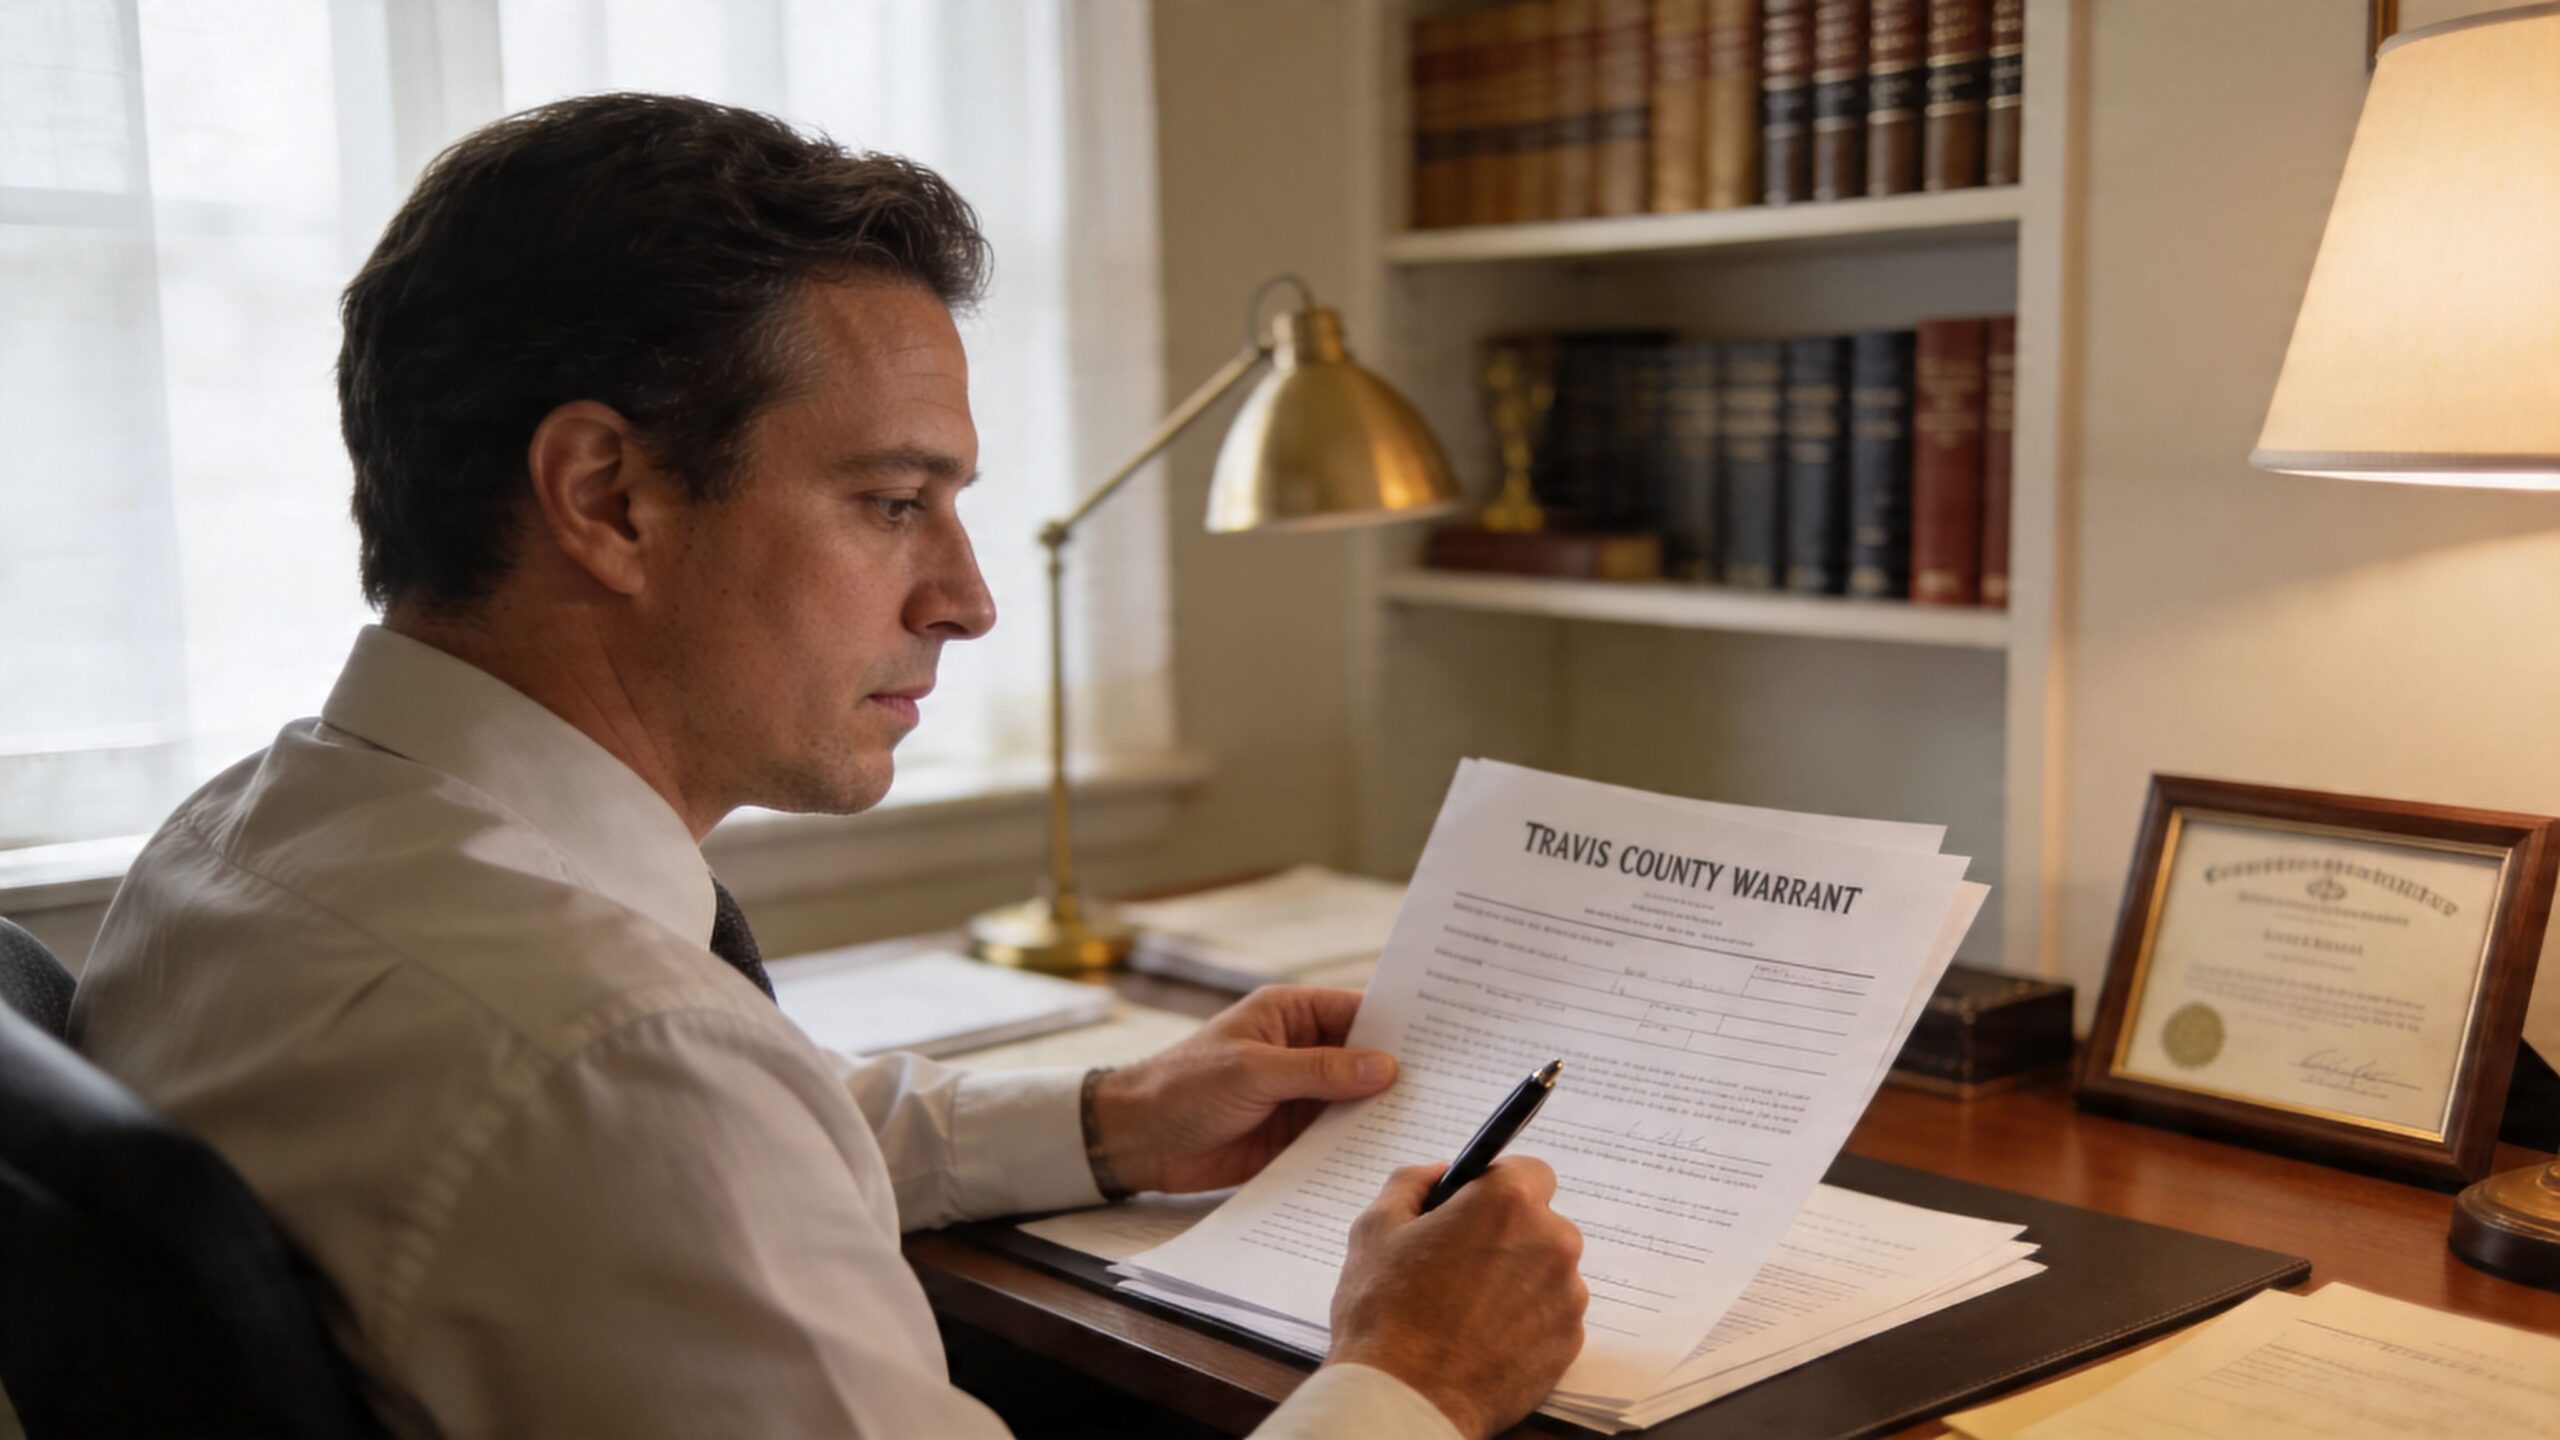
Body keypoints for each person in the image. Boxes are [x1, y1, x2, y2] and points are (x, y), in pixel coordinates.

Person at [71, 93, 1586, 1439]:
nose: (967, 599)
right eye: (890, 502)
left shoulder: (251, 840)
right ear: (608, 498)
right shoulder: (611, 1060)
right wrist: (1414, 1380)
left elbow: (711, 1152)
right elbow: (649, 1120)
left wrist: (1113, 1114)